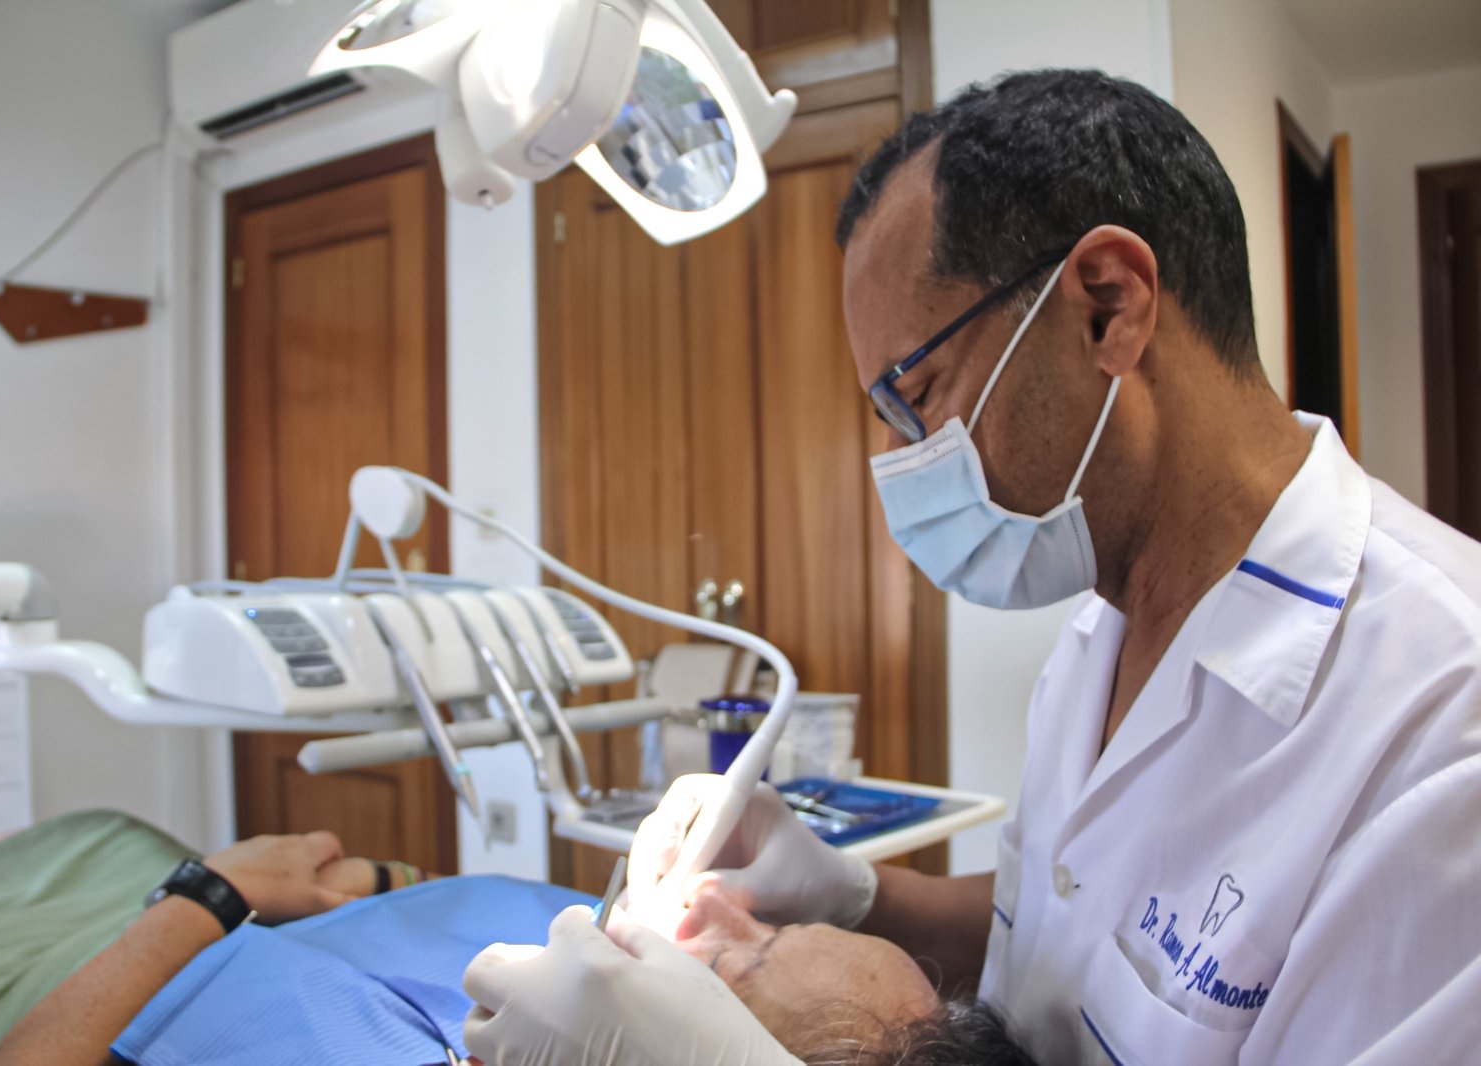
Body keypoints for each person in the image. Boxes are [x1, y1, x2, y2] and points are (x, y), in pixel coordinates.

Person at [461, 68, 1481, 1064]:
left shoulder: (1437, 725)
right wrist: (857, 895)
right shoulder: (1104, 628)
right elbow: (1059, 945)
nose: (904, 466)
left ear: (1107, 306)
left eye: (920, 393)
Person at [0, 810, 1035, 1064]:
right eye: (775, 915)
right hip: (212, 886)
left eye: (741, 959)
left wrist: (208, 894)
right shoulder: (569, 986)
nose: (721, 907)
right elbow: (415, 899)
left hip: (55, 967)